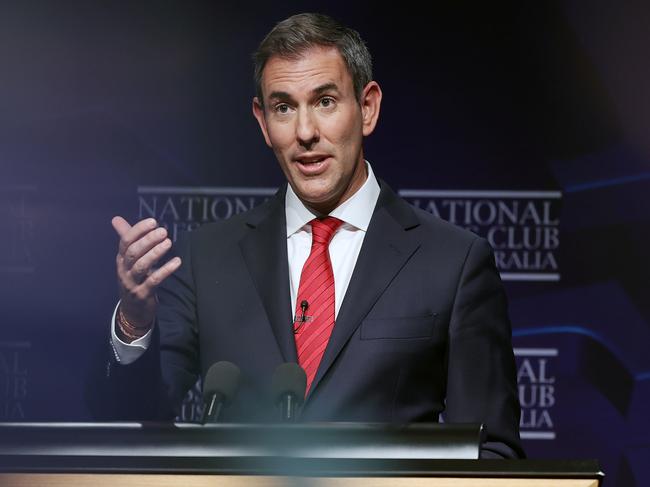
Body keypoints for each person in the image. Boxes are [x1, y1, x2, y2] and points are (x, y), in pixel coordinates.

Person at [105, 13, 524, 459]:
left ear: (367, 108)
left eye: (325, 101)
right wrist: (134, 321)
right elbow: (133, 425)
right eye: (284, 107)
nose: (306, 133)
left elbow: (491, 454)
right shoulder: (206, 257)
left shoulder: (453, 262)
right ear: (263, 122)